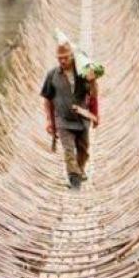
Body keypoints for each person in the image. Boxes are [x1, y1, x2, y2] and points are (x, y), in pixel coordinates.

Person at [41, 40, 99, 189]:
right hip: (63, 120)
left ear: (72, 57)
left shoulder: (82, 73)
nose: (62, 61)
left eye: (65, 57)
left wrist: (92, 82)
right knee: (68, 151)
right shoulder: (52, 75)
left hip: (82, 119)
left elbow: (93, 95)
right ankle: (75, 183)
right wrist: (49, 120)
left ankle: (79, 171)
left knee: (84, 151)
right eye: (59, 58)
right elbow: (47, 99)